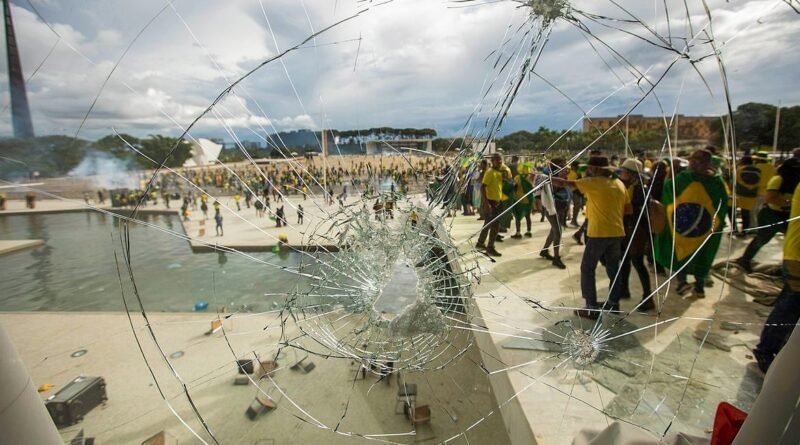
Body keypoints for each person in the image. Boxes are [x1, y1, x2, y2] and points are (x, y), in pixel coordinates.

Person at [552, 156, 631, 318]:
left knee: (587, 268)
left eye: (590, 168)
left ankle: (591, 308)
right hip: (617, 232)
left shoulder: (594, 182)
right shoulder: (619, 184)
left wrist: (542, 178)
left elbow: (564, 184)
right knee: (613, 268)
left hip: (598, 233)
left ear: (596, 169)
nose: (588, 170)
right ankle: (613, 303)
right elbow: (628, 210)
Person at [655, 149, 728, 299]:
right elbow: (722, 204)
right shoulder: (717, 182)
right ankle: (699, 287)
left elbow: (668, 191)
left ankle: (682, 283)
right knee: (701, 253)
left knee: (680, 252)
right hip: (704, 228)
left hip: (683, 226)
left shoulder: (683, 178)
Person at [752, 180, 800, 372]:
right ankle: (766, 350)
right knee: (790, 305)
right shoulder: (779, 179)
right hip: (797, 256)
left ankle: (773, 348)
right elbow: (770, 196)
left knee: (790, 304)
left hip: (794, 253)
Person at [735, 158, 800, 272]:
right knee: (761, 239)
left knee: (792, 243)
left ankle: (788, 268)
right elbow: (770, 198)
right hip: (771, 215)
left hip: (788, 216)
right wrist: (790, 204)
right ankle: (744, 260)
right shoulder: (778, 179)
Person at [616, 159, 655, 311]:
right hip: (629, 229)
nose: (621, 174)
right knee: (625, 260)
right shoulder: (632, 186)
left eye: (624, 172)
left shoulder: (639, 189)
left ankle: (648, 297)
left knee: (638, 263)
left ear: (632, 174)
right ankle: (624, 289)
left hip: (637, 230)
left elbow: (634, 211)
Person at [475, 153, 506, 257]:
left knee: (488, 223)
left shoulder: (499, 172)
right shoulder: (490, 172)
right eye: (498, 161)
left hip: (497, 202)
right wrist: (487, 204)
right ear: (493, 161)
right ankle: (490, 247)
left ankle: (480, 243)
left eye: (501, 161)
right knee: (494, 226)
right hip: (491, 202)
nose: (500, 163)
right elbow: (482, 187)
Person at [538, 161, 566, 269]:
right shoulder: (550, 179)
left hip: (558, 208)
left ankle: (544, 251)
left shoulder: (559, 178)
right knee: (557, 232)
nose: (565, 169)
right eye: (563, 167)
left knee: (554, 231)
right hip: (551, 209)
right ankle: (556, 258)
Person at [734, 155, 760, 235]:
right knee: (746, 213)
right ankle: (744, 231)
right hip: (752, 195)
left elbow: (735, 181)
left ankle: (734, 228)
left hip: (740, 194)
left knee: (730, 210)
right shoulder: (758, 170)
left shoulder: (739, 170)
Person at [510, 163, 534, 239]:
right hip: (529, 199)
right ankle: (529, 231)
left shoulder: (517, 177)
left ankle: (518, 233)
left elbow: (514, 187)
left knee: (517, 216)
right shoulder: (530, 178)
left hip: (519, 199)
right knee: (528, 216)